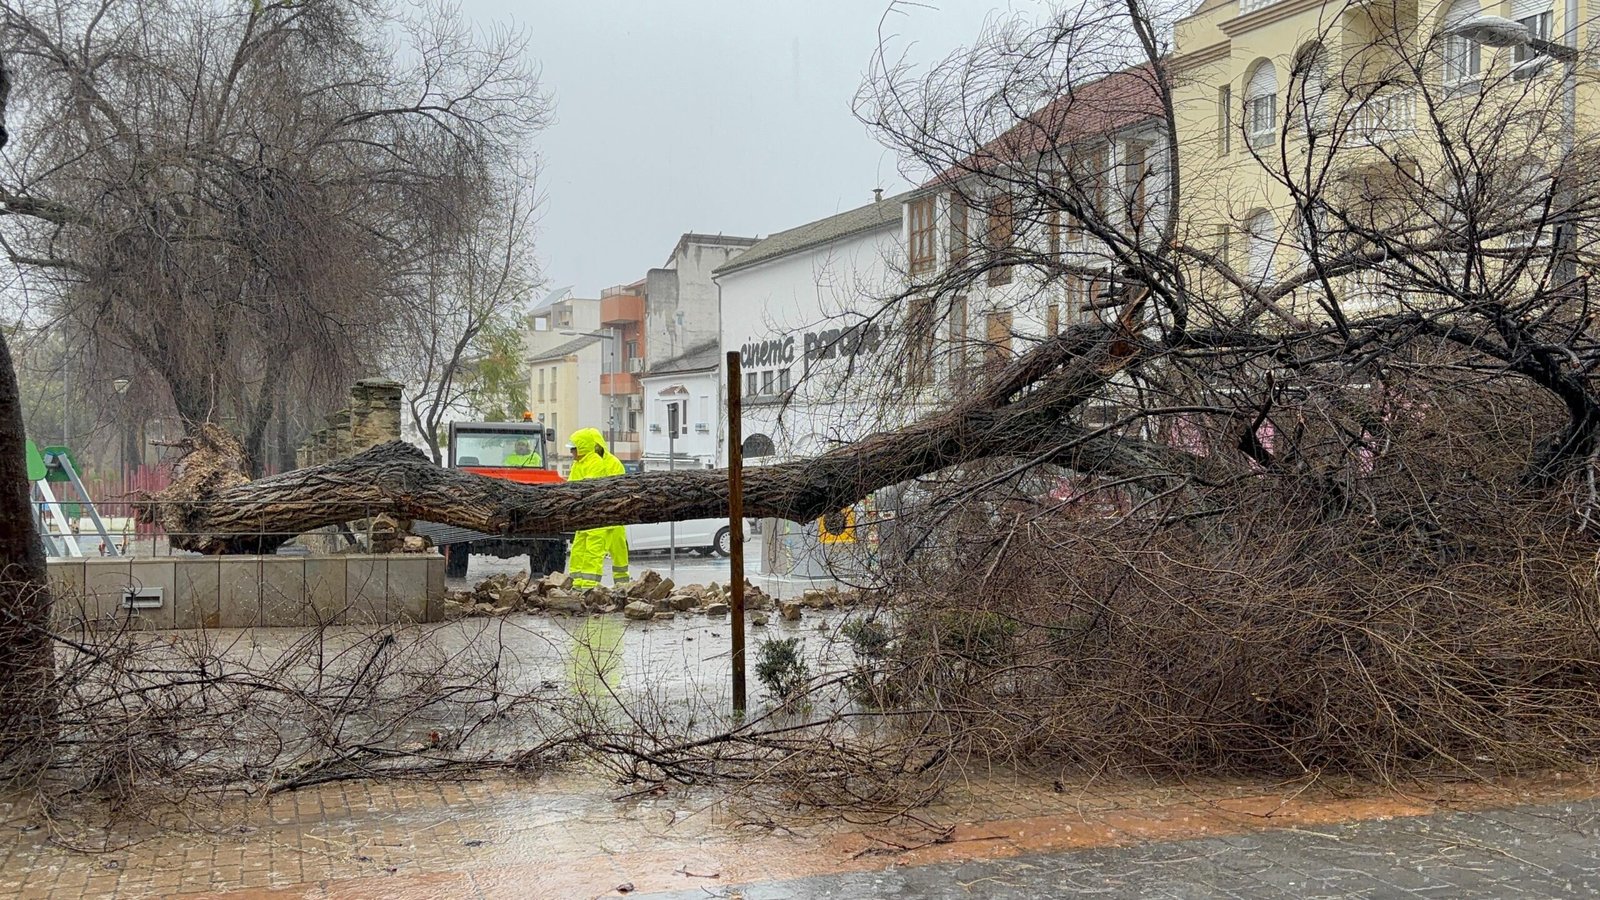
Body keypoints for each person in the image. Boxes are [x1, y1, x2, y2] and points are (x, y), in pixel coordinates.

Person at [565, 427, 630, 588]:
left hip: (609, 515)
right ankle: (578, 584)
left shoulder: (609, 463)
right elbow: (572, 487)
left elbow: (611, 488)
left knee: (614, 552)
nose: (572, 453)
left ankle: (617, 586)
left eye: (574, 449)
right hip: (588, 515)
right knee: (580, 550)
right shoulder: (579, 464)